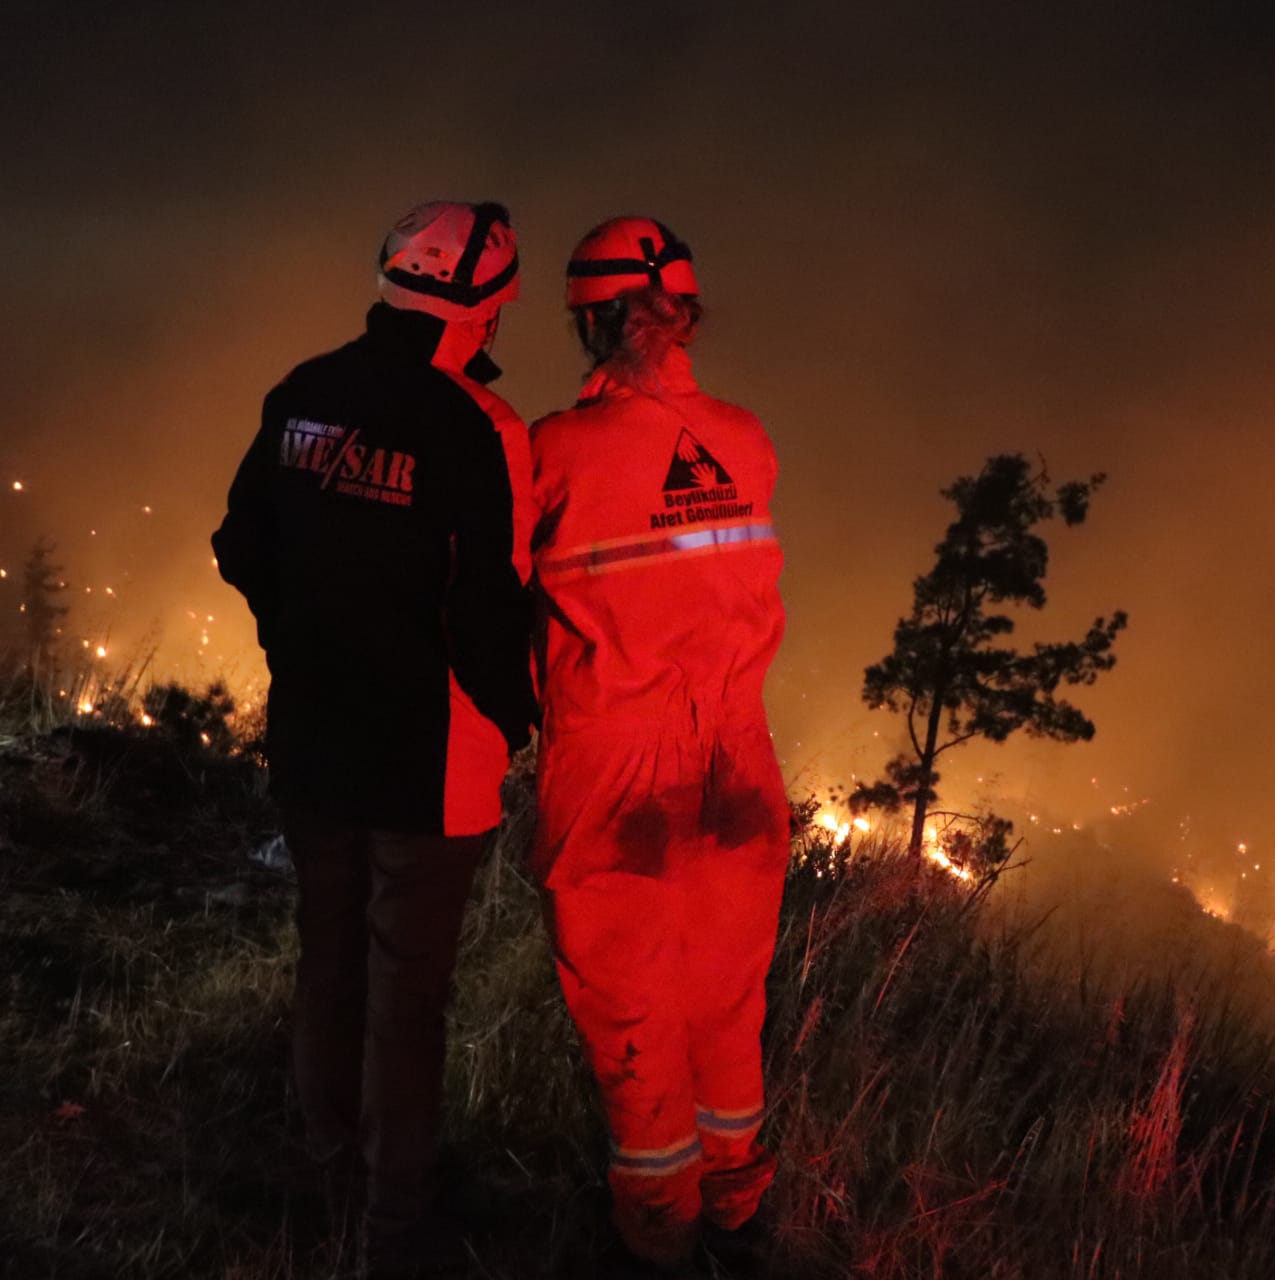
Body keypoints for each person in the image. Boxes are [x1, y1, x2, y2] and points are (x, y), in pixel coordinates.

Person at [212, 200, 538, 1276]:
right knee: (408, 990)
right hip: (429, 758)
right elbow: (490, 606)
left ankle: (322, 1161)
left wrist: (300, 640)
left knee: (328, 952)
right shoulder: (483, 432)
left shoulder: (305, 389)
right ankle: (395, 1225)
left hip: (313, 734)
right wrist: (515, 717)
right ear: (489, 308)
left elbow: (240, 541)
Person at [530, 216, 791, 1274]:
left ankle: (656, 1234)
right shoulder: (747, 438)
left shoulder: (554, 451)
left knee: (631, 1004)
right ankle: (740, 1211)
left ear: (593, 322)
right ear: (686, 312)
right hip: (739, 761)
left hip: (618, 768)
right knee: (729, 992)